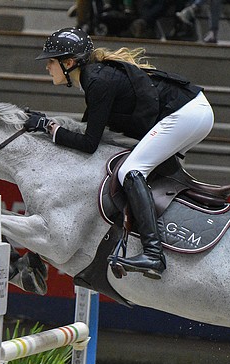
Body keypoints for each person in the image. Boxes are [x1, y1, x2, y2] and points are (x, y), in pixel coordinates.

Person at [26, 27, 214, 279]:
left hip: (187, 113)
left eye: (51, 61)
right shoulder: (95, 78)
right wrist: (50, 127)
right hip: (194, 111)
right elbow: (89, 131)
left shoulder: (96, 81)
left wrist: (48, 128)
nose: (47, 66)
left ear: (68, 63)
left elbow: (89, 143)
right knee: (147, 168)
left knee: (130, 170)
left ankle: (153, 253)